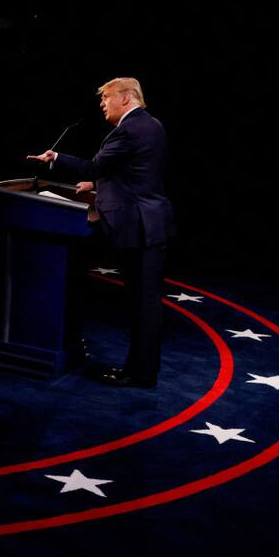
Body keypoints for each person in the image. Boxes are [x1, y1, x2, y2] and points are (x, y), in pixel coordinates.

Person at [28, 77, 175, 387]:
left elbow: (94, 166)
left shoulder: (128, 129)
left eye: (106, 97)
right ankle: (142, 370)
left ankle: (139, 374)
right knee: (145, 303)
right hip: (151, 223)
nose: (102, 104)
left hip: (138, 226)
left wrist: (57, 158)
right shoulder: (152, 125)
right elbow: (137, 171)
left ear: (125, 97)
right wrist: (98, 185)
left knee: (143, 305)